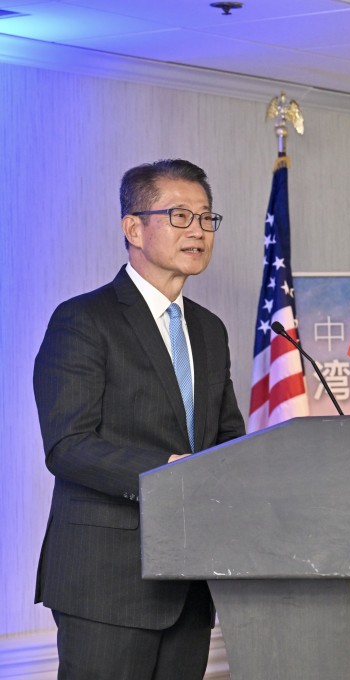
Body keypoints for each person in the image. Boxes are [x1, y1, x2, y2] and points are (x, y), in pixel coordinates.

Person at [33, 159, 247, 680]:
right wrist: (168, 471)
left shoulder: (209, 329)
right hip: (107, 580)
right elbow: (68, 444)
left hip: (190, 578)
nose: (198, 230)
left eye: (205, 217)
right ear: (133, 227)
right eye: (180, 216)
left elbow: (228, 438)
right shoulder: (83, 319)